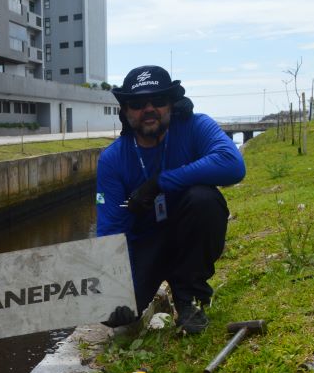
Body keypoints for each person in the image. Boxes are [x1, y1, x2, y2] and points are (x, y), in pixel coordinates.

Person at [97, 65, 246, 334]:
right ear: (125, 111)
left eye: (159, 100)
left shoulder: (195, 126)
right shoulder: (112, 159)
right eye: (138, 103)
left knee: (204, 199)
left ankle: (189, 298)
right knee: (111, 312)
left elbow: (233, 165)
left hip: (186, 232)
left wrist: (160, 182)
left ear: (172, 104)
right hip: (145, 243)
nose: (149, 108)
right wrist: (113, 283)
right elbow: (109, 229)